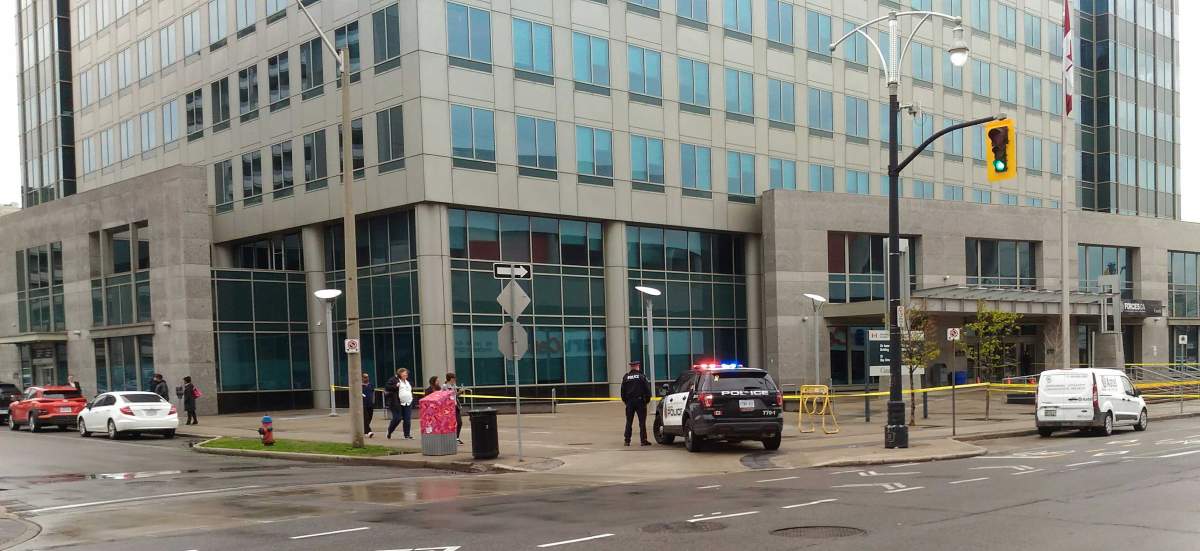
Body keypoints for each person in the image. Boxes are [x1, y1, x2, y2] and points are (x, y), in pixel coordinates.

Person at [620, 361, 652, 447]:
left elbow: (622, 391)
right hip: (640, 402)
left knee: (629, 422)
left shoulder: (626, 377)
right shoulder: (642, 377)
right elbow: (647, 390)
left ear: (631, 367)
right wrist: (647, 400)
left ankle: (627, 441)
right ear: (638, 366)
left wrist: (626, 401)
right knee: (642, 422)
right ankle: (643, 440)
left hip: (630, 402)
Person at [385, 368, 414, 439]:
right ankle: (389, 431)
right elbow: (387, 387)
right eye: (404, 373)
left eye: (406, 373)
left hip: (408, 402)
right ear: (399, 374)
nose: (406, 374)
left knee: (407, 419)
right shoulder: (394, 380)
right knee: (397, 418)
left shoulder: (407, 382)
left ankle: (407, 435)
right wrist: (396, 386)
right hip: (396, 403)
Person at [443, 373, 465, 445]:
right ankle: (450, 439)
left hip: (455, 406)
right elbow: (445, 396)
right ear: (451, 379)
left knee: (459, 422)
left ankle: (457, 437)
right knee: (450, 423)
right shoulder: (445, 386)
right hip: (449, 407)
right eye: (454, 378)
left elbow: (455, 396)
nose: (455, 379)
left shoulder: (454, 386)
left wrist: (460, 392)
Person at [361, 372, 375, 438]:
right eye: (365, 377)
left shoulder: (371, 385)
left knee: (369, 418)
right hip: (363, 405)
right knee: (365, 418)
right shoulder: (359, 386)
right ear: (362, 378)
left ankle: (364, 429)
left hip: (370, 404)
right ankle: (369, 431)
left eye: (367, 377)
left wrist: (373, 401)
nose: (367, 378)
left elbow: (373, 393)